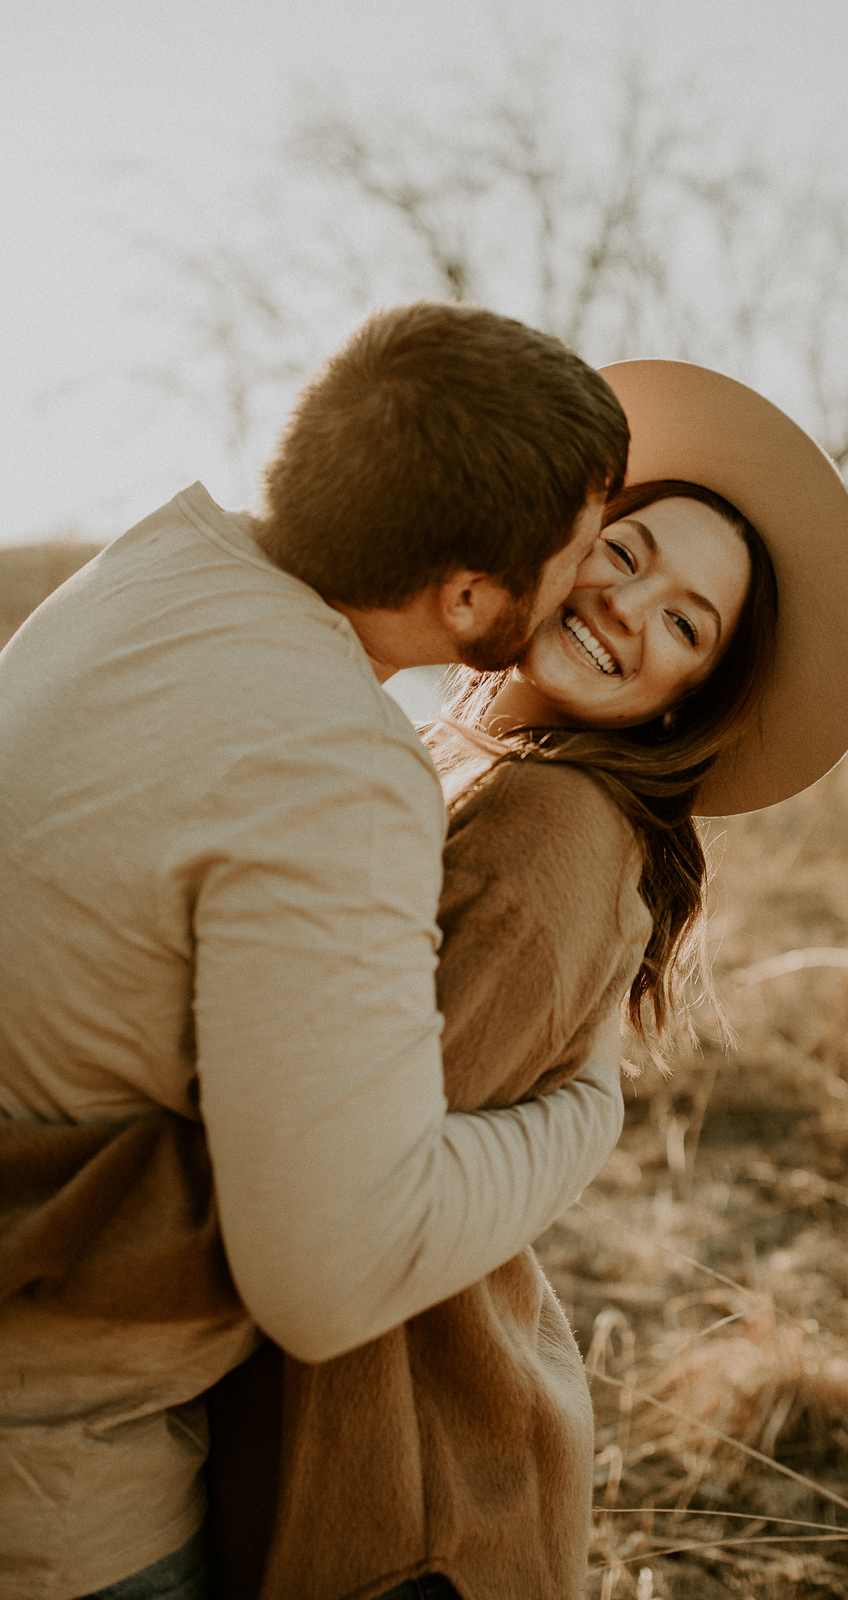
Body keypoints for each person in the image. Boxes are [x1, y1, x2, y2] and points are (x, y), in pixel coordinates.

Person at [0, 358, 848, 1600]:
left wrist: (29, 1204)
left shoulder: (548, 831)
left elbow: (320, 1197)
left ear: (693, 699)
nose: (633, 611)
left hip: (399, 1467)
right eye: (624, 556)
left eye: (687, 622)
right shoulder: (447, 754)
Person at [0, 302, 638, 1600]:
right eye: (582, 555)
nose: (596, 591)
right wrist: (584, 1114)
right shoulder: (336, 767)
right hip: (57, 1486)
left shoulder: (157, 567)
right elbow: (333, 1275)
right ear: (469, 597)